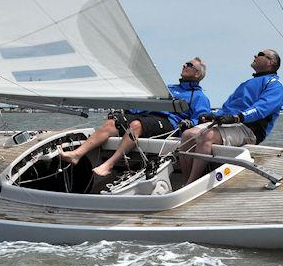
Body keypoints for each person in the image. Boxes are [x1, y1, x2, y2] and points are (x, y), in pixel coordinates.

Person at [60, 58, 211, 177]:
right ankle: (77, 154)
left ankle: (109, 164)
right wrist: (127, 111)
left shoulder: (199, 96)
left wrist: (190, 123)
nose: (184, 66)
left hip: (168, 123)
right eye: (185, 63)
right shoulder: (168, 89)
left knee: (136, 125)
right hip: (147, 117)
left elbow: (202, 119)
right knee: (112, 123)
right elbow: (148, 103)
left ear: (197, 74)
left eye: (190, 65)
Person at [180, 49, 283, 184]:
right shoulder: (247, 83)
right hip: (231, 122)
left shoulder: (275, 85)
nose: (255, 55)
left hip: (249, 128)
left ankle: (191, 184)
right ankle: (185, 181)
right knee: (188, 135)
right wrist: (213, 116)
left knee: (207, 136)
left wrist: (237, 117)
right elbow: (227, 108)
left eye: (260, 54)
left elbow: (261, 109)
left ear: (271, 62)